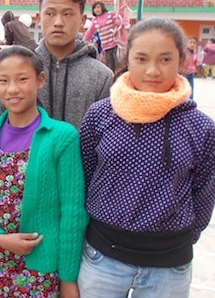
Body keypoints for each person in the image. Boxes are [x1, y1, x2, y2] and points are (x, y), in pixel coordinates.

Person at [78, 18, 215, 297]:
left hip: (168, 268)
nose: (153, 70)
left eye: (165, 59)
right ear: (128, 58)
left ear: (181, 60)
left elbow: (204, 194)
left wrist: (182, 239)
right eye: (141, 58)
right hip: (102, 259)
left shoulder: (201, 127)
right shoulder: (100, 115)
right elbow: (85, 177)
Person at [0, 46, 88, 297]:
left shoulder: (62, 137)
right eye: (4, 81)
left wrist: (69, 278)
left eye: (22, 79)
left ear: (40, 80)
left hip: (39, 269)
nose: (13, 89)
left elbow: (73, 212)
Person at [36, 0, 114, 130]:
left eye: (67, 14)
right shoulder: (24, 70)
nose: (58, 22)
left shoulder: (102, 77)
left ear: (82, 20)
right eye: (50, 13)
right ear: (39, 18)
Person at [83, 1, 122, 72]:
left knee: (116, 60)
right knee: (109, 62)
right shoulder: (95, 21)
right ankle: (112, 76)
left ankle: (117, 74)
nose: (96, 9)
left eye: (98, 7)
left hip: (115, 42)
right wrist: (84, 42)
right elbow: (89, 32)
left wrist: (118, 21)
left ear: (102, 8)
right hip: (106, 45)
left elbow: (119, 22)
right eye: (95, 8)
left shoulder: (110, 15)